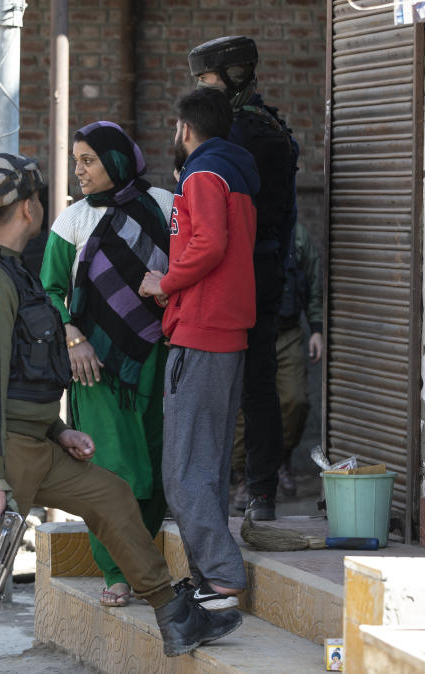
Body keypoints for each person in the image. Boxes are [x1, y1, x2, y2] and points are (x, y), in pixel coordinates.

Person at [0, 153, 243, 672]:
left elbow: (18, 372)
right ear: (29, 208)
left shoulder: (11, 270)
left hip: (31, 442)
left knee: (112, 495)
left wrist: (57, 430)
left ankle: (175, 616)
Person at [39, 121, 171, 607]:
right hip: (95, 369)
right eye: (76, 160)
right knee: (110, 472)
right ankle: (116, 569)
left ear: (116, 161)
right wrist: (73, 336)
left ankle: (144, 561)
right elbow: (48, 291)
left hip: (159, 357)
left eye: (89, 160)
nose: (79, 171)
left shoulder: (166, 206)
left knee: (155, 467)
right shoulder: (72, 221)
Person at [139, 87, 259, 612]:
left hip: (202, 327)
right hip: (221, 328)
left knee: (183, 466)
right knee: (202, 463)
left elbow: (209, 243)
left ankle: (222, 577)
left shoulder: (202, 173)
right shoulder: (236, 170)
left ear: (184, 128)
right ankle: (211, 576)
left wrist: (164, 284)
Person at [188, 35, 300, 521]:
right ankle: (256, 491)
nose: (203, 90)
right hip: (257, 268)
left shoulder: (243, 134)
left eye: (208, 80)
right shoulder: (260, 125)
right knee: (251, 384)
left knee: (236, 384)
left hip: (243, 271)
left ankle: (247, 489)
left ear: (233, 76)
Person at [231, 221, 323, 506]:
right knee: (243, 411)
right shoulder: (235, 225)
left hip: (287, 331)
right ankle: (245, 477)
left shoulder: (296, 233)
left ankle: (277, 458)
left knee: (295, 400)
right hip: (243, 333)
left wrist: (316, 327)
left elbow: (314, 280)